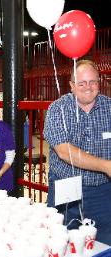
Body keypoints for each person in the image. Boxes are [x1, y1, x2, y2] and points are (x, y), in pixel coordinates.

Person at [44, 60, 111, 245]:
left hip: (103, 192)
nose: (88, 87)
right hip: (66, 189)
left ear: (100, 82)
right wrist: (106, 166)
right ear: (72, 86)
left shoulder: (110, 108)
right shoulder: (57, 109)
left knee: (104, 244)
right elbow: (64, 152)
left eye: (93, 82)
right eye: (81, 83)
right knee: (61, 242)